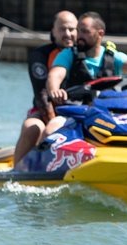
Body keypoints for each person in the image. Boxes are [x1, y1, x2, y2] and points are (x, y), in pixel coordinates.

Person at [45, 10, 127, 113]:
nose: (79, 36)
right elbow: (55, 75)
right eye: (78, 31)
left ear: (100, 33)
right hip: (75, 114)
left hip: (107, 115)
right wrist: (55, 90)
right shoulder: (68, 54)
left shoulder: (112, 57)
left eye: (85, 32)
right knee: (52, 128)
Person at [12, 10, 78, 166]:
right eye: (62, 29)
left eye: (71, 29)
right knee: (32, 128)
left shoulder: (85, 55)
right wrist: (53, 125)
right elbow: (42, 95)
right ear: (53, 32)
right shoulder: (41, 55)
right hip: (46, 112)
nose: (67, 34)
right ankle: (15, 173)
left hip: (78, 113)